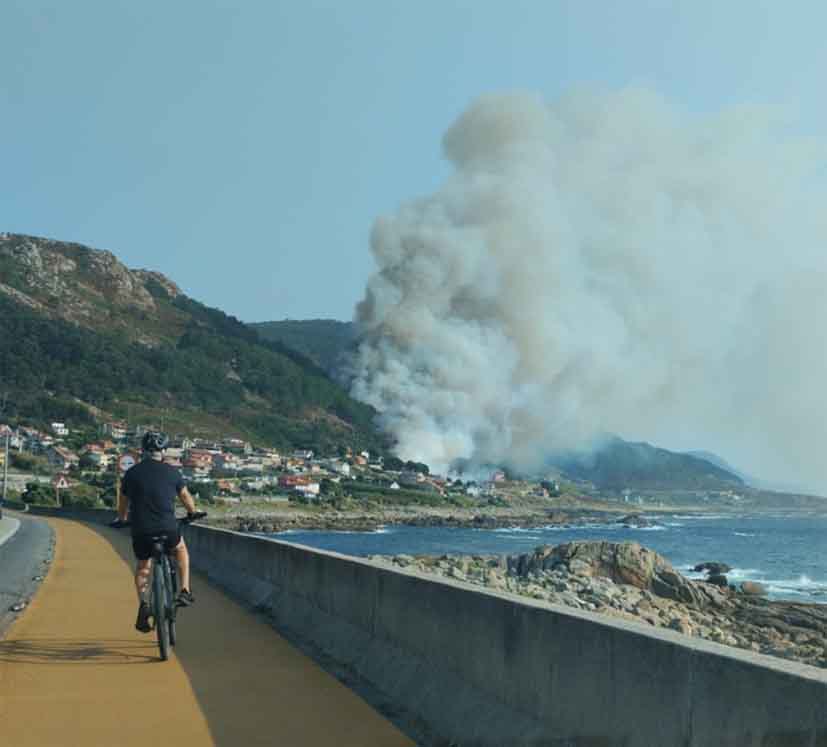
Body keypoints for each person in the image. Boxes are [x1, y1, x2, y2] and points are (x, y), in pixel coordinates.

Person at [112, 431, 201, 633]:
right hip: (168, 528)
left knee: (143, 567)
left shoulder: (131, 473)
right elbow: (185, 497)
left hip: (141, 530)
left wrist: (122, 519)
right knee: (180, 549)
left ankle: (144, 603)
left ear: (143, 450)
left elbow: (123, 503)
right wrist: (193, 513)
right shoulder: (172, 472)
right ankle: (185, 590)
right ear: (163, 451)